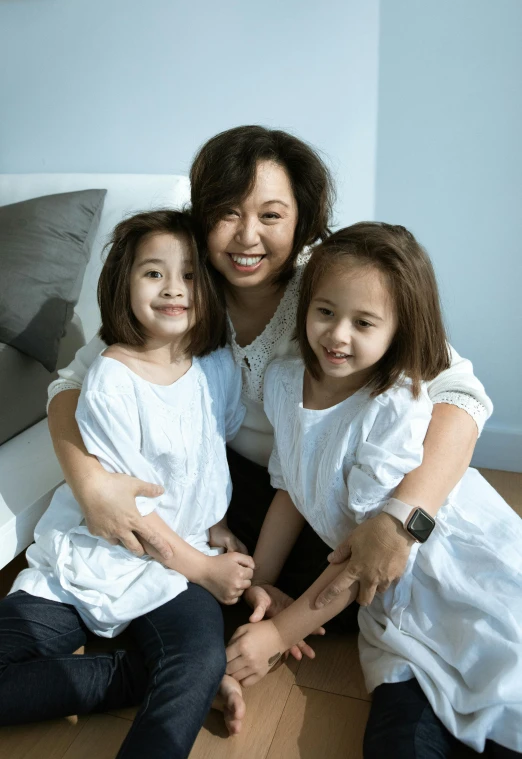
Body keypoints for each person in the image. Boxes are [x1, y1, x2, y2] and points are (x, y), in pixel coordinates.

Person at [46, 125, 492, 625]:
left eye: (271, 216)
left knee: (350, 590)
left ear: (302, 221)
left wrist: (403, 520)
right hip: (233, 489)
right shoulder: (181, 289)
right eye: (227, 213)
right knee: (203, 587)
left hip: (327, 487)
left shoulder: (330, 290)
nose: (247, 237)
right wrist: (90, 485)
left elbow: (461, 392)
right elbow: (70, 383)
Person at [225, 222, 522, 757]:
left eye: (364, 322)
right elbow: (291, 489)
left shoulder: (392, 406)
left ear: (398, 330)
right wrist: (262, 582)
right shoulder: (285, 380)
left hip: (444, 569)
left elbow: (364, 556)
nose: (338, 336)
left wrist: (281, 634)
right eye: (325, 313)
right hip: (385, 598)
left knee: (500, 691)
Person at [0, 210, 255, 758]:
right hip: (100, 554)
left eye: (189, 275)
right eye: (153, 273)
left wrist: (220, 527)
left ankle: (170, 681)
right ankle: (127, 677)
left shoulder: (216, 364)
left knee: (197, 661)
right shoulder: (112, 379)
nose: (173, 289)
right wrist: (207, 569)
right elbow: (128, 515)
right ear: (124, 282)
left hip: (173, 566)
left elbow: (212, 456)